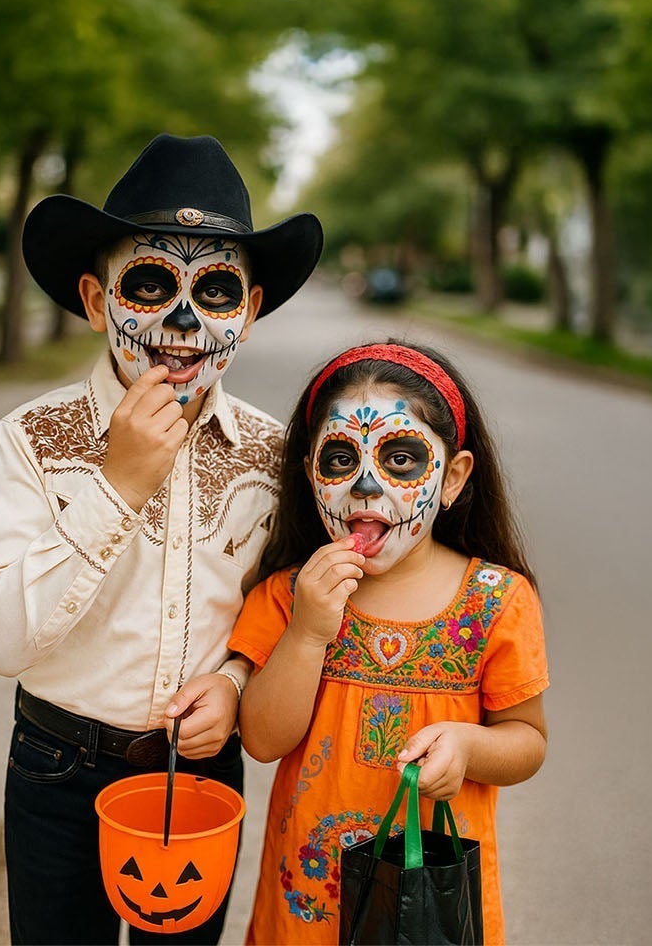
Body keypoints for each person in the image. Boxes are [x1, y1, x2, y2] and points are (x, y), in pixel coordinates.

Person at [0, 133, 323, 944]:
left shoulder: (272, 456)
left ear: (250, 311)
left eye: (217, 292)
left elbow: (275, 609)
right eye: (152, 283)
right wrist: (117, 486)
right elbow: (0, 639)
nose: (183, 320)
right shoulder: (35, 439)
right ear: (98, 302)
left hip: (198, 773)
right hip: (58, 768)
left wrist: (234, 679)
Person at [230, 341, 549, 944]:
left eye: (401, 458)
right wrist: (308, 631)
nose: (366, 485)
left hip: (430, 909)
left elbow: (527, 742)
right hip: (307, 909)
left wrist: (468, 746)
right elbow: (264, 741)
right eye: (340, 459)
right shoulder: (289, 595)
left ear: (453, 478)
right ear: (310, 474)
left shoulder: (496, 601)